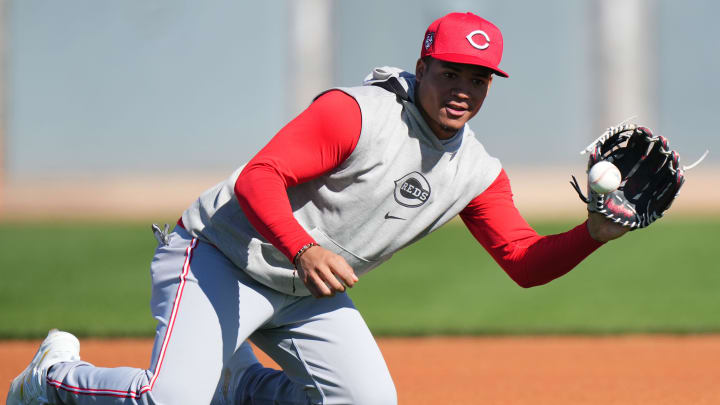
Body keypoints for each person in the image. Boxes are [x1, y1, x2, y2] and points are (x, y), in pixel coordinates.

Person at [8, 12, 628, 405]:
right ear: (423, 67)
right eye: (452, 72)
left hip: (303, 294)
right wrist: (303, 247)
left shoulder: (477, 171)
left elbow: (522, 260)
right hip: (218, 259)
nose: (464, 88)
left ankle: (241, 383)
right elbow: (260, 178)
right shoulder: (357, 112)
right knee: (169, 399)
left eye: (480, 78)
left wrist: (593, 233)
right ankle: (53, 379)